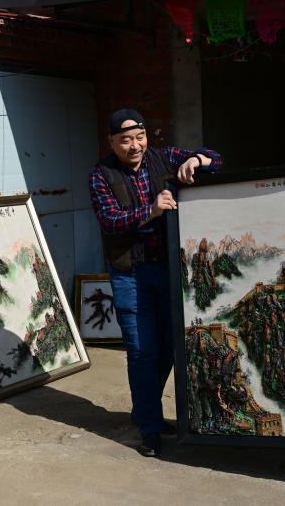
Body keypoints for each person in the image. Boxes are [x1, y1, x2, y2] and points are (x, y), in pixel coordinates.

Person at [88, 108, 222, 457]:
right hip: (130, 274)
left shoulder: (164, 158)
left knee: (169, 347)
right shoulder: (101, 175)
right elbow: (110, 220)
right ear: (112, 142)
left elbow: (217, 159)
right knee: (141, 350)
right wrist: (150, 210)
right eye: (126, 140)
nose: (135, 145)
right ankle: (149, 428)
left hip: (169, 270)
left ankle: (143, 409)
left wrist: (196, 160)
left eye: (140, 137)